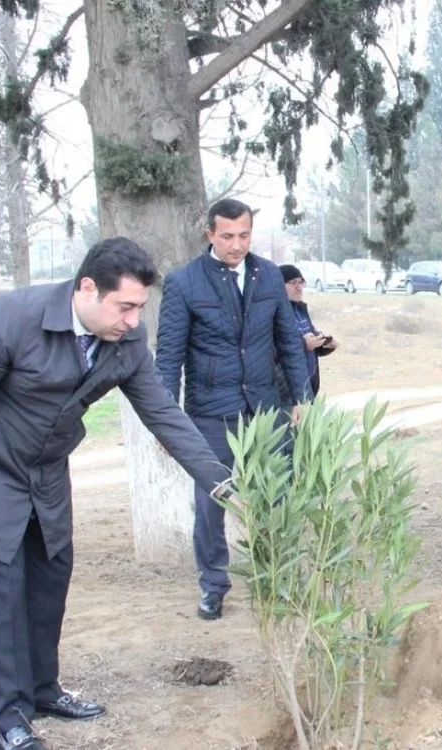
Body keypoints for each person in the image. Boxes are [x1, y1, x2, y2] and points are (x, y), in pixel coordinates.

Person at [0, 238, 233, 750]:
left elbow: (162, 412)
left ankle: (42, 689)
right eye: (124, 306)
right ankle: (9, 719)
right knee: (1, 596)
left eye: (139, 308)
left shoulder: (125, 341)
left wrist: (218, 478)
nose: (132, 320)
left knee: (49, 581)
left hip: (47, 474)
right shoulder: (14, 318)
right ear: (86, 288)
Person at [155, 198, 309, 621]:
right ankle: (213, 585)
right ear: (210, 234)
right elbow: (168, 358)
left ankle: (274, 579)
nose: (237, 244)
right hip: (210, 412)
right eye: (227, 236)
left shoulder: (270, 276)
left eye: (244, 235)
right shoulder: (184, 283)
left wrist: (301, 398)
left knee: (276, 497)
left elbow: (289, 343)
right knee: (211, 504)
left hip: (265, 409)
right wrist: (165, 422)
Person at [278, 263, 338, 403]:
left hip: (308, 387)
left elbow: (311, 345)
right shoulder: (275, 313)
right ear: (279, 285)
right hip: (287, 392)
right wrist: (303, 344)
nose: (299, 288)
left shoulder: (301, 310)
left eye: (301, 282)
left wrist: (327, 344)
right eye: (293, 283)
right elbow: (275, 346)